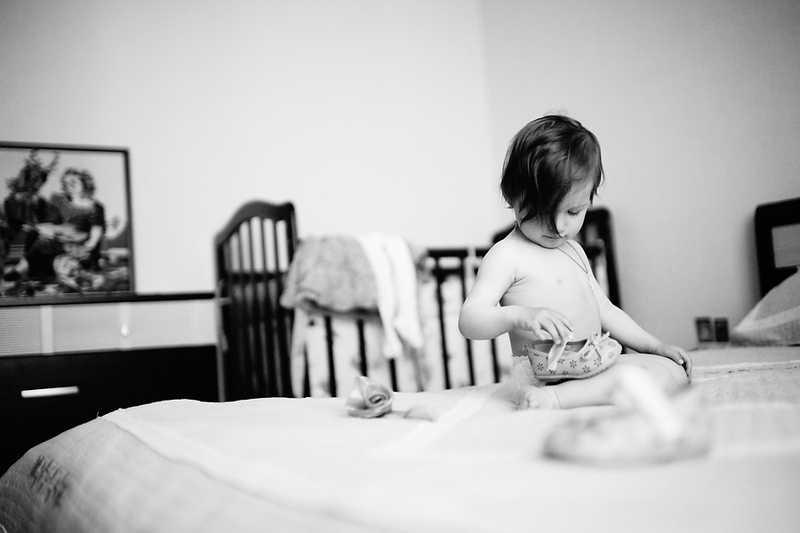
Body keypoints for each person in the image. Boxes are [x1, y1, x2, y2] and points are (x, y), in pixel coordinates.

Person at [458, 115, 692, 410]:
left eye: (573, 212)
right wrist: (519, 315)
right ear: (512, 196)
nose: (558, 227)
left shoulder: (575, 252)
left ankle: (594, 390)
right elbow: (470, 320)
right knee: (636, 380)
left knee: (671, 371)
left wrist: (655, 346)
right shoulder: (507, 254)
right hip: (547, 372)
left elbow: (607, 311)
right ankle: (553, 399)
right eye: (543, 211)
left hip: (590, 361)